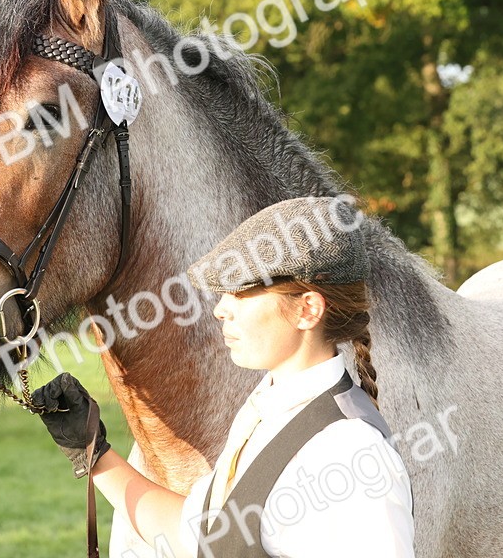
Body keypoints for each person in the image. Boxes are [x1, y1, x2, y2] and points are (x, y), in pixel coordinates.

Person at [31, 196, 414, 557]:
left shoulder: (351, 455)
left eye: (241, 292)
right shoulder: (266, 408)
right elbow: (203, 536)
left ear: (307, 310)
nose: (220, 309)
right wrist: (93, 452)